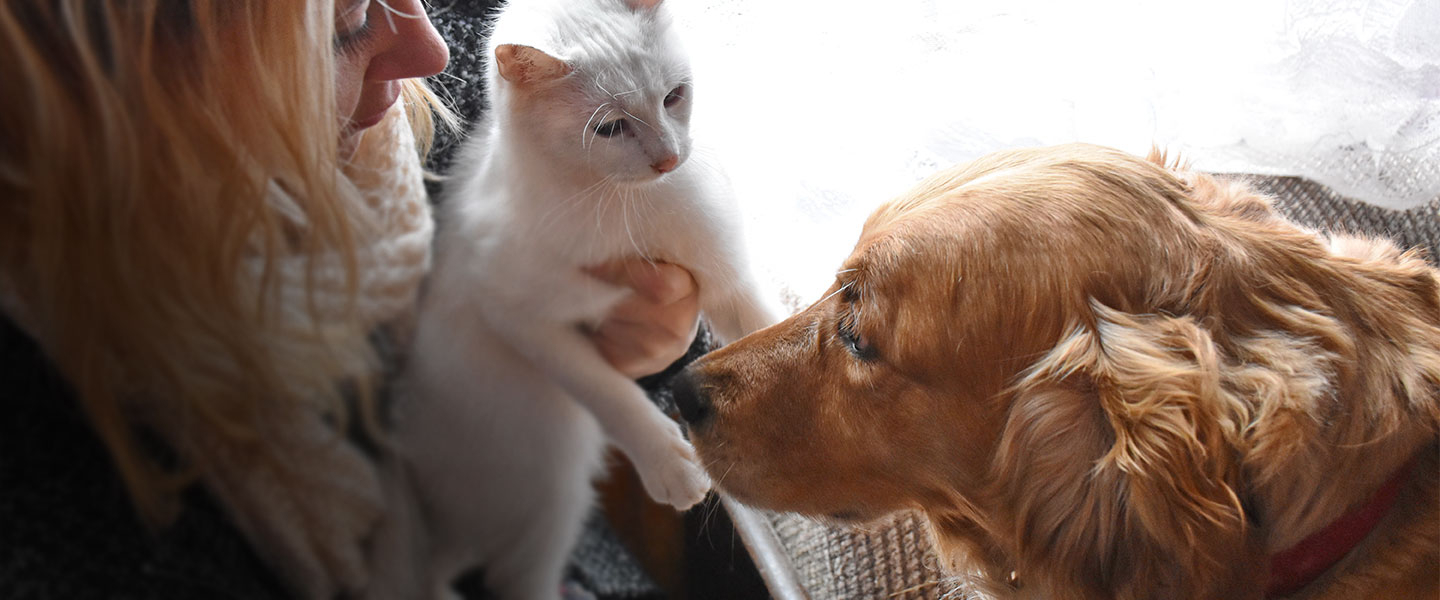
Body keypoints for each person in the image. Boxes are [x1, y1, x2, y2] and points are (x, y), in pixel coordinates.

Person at [0, 1, 702, 598]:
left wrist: (644, 337)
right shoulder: (58, 513)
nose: (428, 50)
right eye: (345, 24)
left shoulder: (401, 91)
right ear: (92, 94)